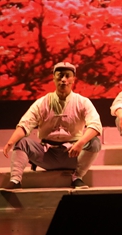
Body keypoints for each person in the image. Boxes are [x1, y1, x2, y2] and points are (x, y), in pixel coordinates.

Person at [3, 62, 102, 190]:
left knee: (94, 142)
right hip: (47, 155)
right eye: (60, 76)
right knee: (22, 142)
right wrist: (10, 142)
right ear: (53, 78)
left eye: (67, 76)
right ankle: (15, 180)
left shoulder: (82, 102)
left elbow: (95, 125)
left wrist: (80, 143)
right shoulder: (42, 102)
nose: (63, 80)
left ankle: (77, 177)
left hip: (73, 154)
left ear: (73, 79)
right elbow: (25, 124)